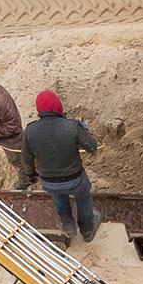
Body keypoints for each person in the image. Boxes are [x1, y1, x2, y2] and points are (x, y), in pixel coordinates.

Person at [21, 90, 102, 243]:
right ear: (58, 107)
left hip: (49, 181)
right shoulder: (71, 126)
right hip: (74, 179)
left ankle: (68, 226)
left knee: (59, 197)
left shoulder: (30, 130)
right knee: (83, 198)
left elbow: (26, 158)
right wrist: (84, 131)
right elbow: (92, 146)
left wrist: (30, 176)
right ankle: (87, 228)